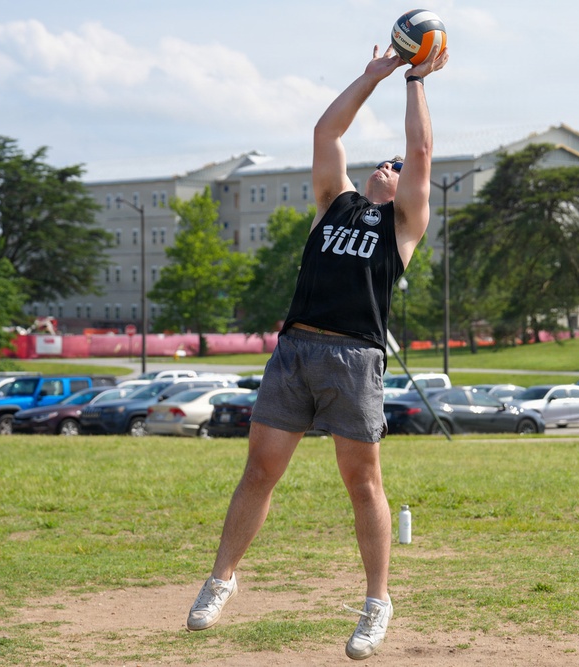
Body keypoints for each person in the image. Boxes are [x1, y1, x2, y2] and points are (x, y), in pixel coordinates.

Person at [186, 41, 449, 660]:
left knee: (363, 485)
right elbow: (326, 130)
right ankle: (220, 580)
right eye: (379, 163)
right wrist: (373, 76)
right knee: (259, 471)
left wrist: (415, 80)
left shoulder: (403, 224)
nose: (387, 166)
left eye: (394, 165)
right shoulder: (334, 203)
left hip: (355, 361)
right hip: (296, 352)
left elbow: (421, 152)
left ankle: (377, 603)